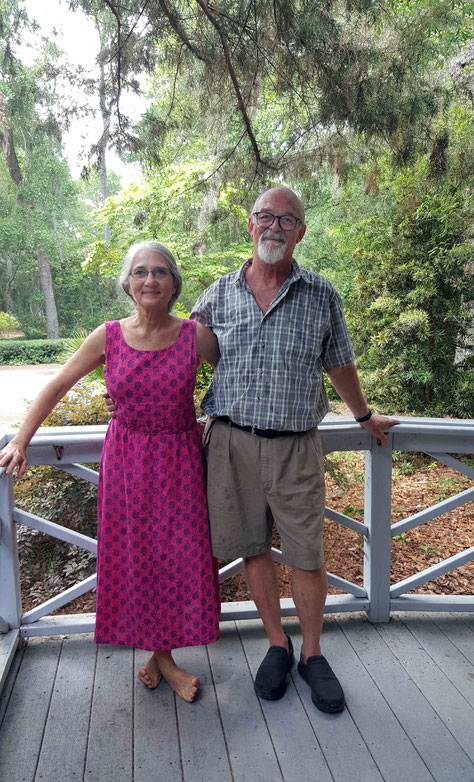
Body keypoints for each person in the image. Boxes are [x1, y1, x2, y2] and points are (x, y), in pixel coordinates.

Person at [105, 189, 399, 713]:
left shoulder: (321, 294)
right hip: (231, 445)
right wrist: (128, 389)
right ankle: (277, 646)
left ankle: (312, 654)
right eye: (266, 217)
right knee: (252, 549)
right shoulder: (216, 296)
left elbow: (341, 364)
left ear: (301, 232)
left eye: (287, 220)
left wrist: (362, 415)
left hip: (295, 448)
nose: (275, 227)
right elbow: (167, 345)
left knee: (307, 555)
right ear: (250, 225)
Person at [0, 241, 221, 703]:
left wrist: (210, 416)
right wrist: (21, 439)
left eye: (160, 271)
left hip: (180, 461)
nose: (150, 280)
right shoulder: (109, 336)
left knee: (179, 558)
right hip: (127, 464)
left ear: (174, 283)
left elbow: (237, 378)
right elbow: (57, 385)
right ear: (128, 283)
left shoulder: (195, 336)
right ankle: (165, 661)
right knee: (138, 558)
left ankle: (159, 657)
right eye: (140, 272)